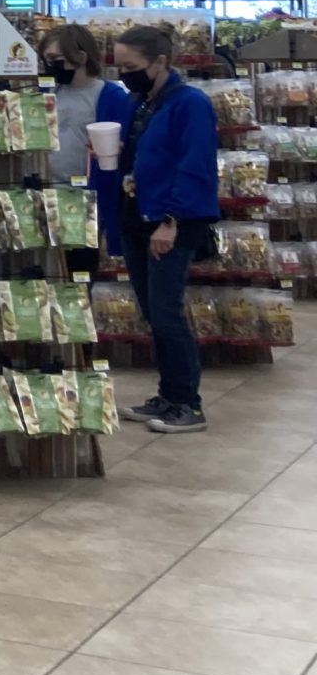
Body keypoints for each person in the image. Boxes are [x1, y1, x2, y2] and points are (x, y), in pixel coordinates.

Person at [114, 23, 216, 435]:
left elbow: (194, 165)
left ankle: (188, 402)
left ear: (160, 62)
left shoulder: (189, 104)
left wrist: (171, 221)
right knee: (151, 312)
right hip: (137, 217)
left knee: (167, 312)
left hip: (171, 222)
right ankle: (168, 394)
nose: (123, 75)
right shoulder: (140, 103)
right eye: (118, 66)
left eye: (131, 66)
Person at [39, 24, 130, 270]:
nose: (50, 66)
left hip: (84, 199)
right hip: (44, 194)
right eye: (46, 60)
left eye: (55, 59)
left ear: (80, 57)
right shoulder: (45, 93)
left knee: (79, 272)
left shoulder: (111, 96)